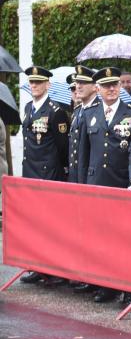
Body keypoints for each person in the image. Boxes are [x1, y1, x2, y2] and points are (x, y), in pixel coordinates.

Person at [76, 67, 131, 302]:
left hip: (121, 183)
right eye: (106, 85)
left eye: (115, 85)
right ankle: (106, 285)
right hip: (96, 183)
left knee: (124, 238)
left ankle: (128, 287)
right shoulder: (89, 113)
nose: (112, 89)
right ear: (98, 89)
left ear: (120, 87)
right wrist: (82, 187)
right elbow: (83, 154)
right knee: (101, 237)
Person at [19, 66, 69, 285]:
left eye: (38, 82)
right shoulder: (29, 107)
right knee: (35, 223)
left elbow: (62, 147)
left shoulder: (56, 110)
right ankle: (38, 266)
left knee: (52, 223)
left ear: (48, 84)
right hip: (31, 171)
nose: (34, 85)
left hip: (49, 173)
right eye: (32, 82)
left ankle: (56, 269)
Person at [67, 66, 97, 183]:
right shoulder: (77, 110)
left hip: (90, 176)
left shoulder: (100, 110)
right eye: (78, 82)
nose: (78, 86)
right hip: (75, 175)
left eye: (83, 83)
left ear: (95, 87)